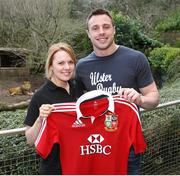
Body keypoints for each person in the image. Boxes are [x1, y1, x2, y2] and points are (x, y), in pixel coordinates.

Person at [75, 8, 160, 175]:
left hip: (129, 147)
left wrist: (141, 99)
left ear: (114, 29)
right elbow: (77, 109)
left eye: (106, 26)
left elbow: (154, 98)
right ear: (88, 33)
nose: (101, 32)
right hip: (96, 146)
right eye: (95, 28)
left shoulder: (136, 58)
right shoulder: (81, 67)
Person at [24, 42, 82, 175]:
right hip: (54, 169)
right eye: (61, 63)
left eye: (70, 62)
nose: (67, 67)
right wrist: (40, 118)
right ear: (51, 66)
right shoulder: (40, 95)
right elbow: (29, 139)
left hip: (79, 164)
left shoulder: (77, 88)